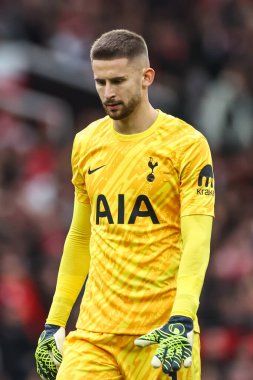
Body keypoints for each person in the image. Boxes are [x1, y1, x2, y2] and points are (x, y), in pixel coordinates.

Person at [35, 29, 215, 380]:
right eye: (100, 82)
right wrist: (54, 322)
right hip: (93, 336)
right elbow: (80, 236)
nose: (108, 93)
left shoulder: (187, 145)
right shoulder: (86, 143)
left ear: (147, 77)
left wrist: (182, 317)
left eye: (117, 80)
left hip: (161, 333)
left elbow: (197, 238)